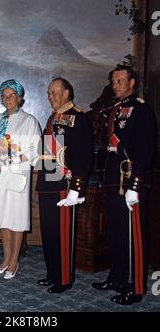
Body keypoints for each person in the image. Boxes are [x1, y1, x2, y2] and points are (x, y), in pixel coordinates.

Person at [92, 65, 157, 305]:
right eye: (113, 81)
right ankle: (117, 277)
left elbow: (145, 150)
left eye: (120, 80)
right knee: (115, 233)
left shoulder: (141, 111)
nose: (115, 84)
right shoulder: (114, 109)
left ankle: (136, 287)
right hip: (113, 180)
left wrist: (136, 185)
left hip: (130, 181)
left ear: (132, 83)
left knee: (133, 236)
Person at [36, 77, 93, 293]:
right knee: (49, 232)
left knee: (63, 234)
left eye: (54, 92)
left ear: (67, 93)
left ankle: (64, 278)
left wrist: (76, 189)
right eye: (49, 93)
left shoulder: (78, 118)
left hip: (64, 185)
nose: (50, 97)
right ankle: (52, 273)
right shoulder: (54, 117)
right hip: (48, 183)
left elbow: (84, 156)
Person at [0, 79, 41, 279]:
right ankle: (5, 258)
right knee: (3, 218)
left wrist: (11, 157)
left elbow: (34, 151)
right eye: (4, 96)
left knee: (15, 217)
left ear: (20, 98)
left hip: (16, 174)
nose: (7, 99)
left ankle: (14, 261)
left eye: (11, 95)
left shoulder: (29, 121)